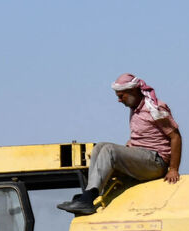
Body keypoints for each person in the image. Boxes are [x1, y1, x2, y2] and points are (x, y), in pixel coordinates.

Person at [58, 73, 181, 216]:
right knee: (100, 147)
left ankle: (88, 198)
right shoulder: (135, 110)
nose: (119, 100)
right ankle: (89, 194)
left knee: (110, 150)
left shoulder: (155, 109)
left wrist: (173, 169)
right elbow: (141, 139)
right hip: (143, 158)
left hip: (155, 163)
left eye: (121, 96)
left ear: (133, 91)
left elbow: (175, 137)